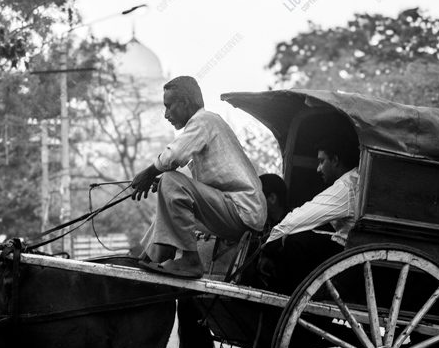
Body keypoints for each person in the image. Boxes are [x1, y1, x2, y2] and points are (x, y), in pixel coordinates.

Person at [131, 76, 266, 278]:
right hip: (236, 210)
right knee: (166, 193)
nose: (166, 114)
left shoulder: (204, 120)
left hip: (242, 210)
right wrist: (165, 187)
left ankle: (190, 261)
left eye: (169, 107)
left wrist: (149, 173)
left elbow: (174, 156)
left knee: (169, 179)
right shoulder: (205, 125)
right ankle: (147, 257)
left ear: (185, 103)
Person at [259, 140, 359, 293]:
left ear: (335, 160)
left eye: (321, 161)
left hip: (350, 258)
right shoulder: (355, 179)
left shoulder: (347, 186)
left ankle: (287, 296)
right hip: (351, 251)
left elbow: (299, 219)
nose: (318, 169)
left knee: (295, 239)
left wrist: (268, 244)